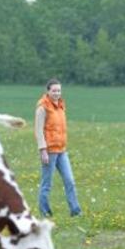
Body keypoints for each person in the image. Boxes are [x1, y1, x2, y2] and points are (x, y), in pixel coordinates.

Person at [35, 78, 82, 217]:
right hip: (49, 151)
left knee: (70, 181)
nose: (57, 93)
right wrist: (42, 150)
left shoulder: (61, 105)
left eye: (59, 90)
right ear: (48, 91)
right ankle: (45, 212)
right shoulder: (42, 107)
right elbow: (38, 131)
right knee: (47, 184)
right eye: (54, 90)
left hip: (62, 150)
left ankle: (75, 211)